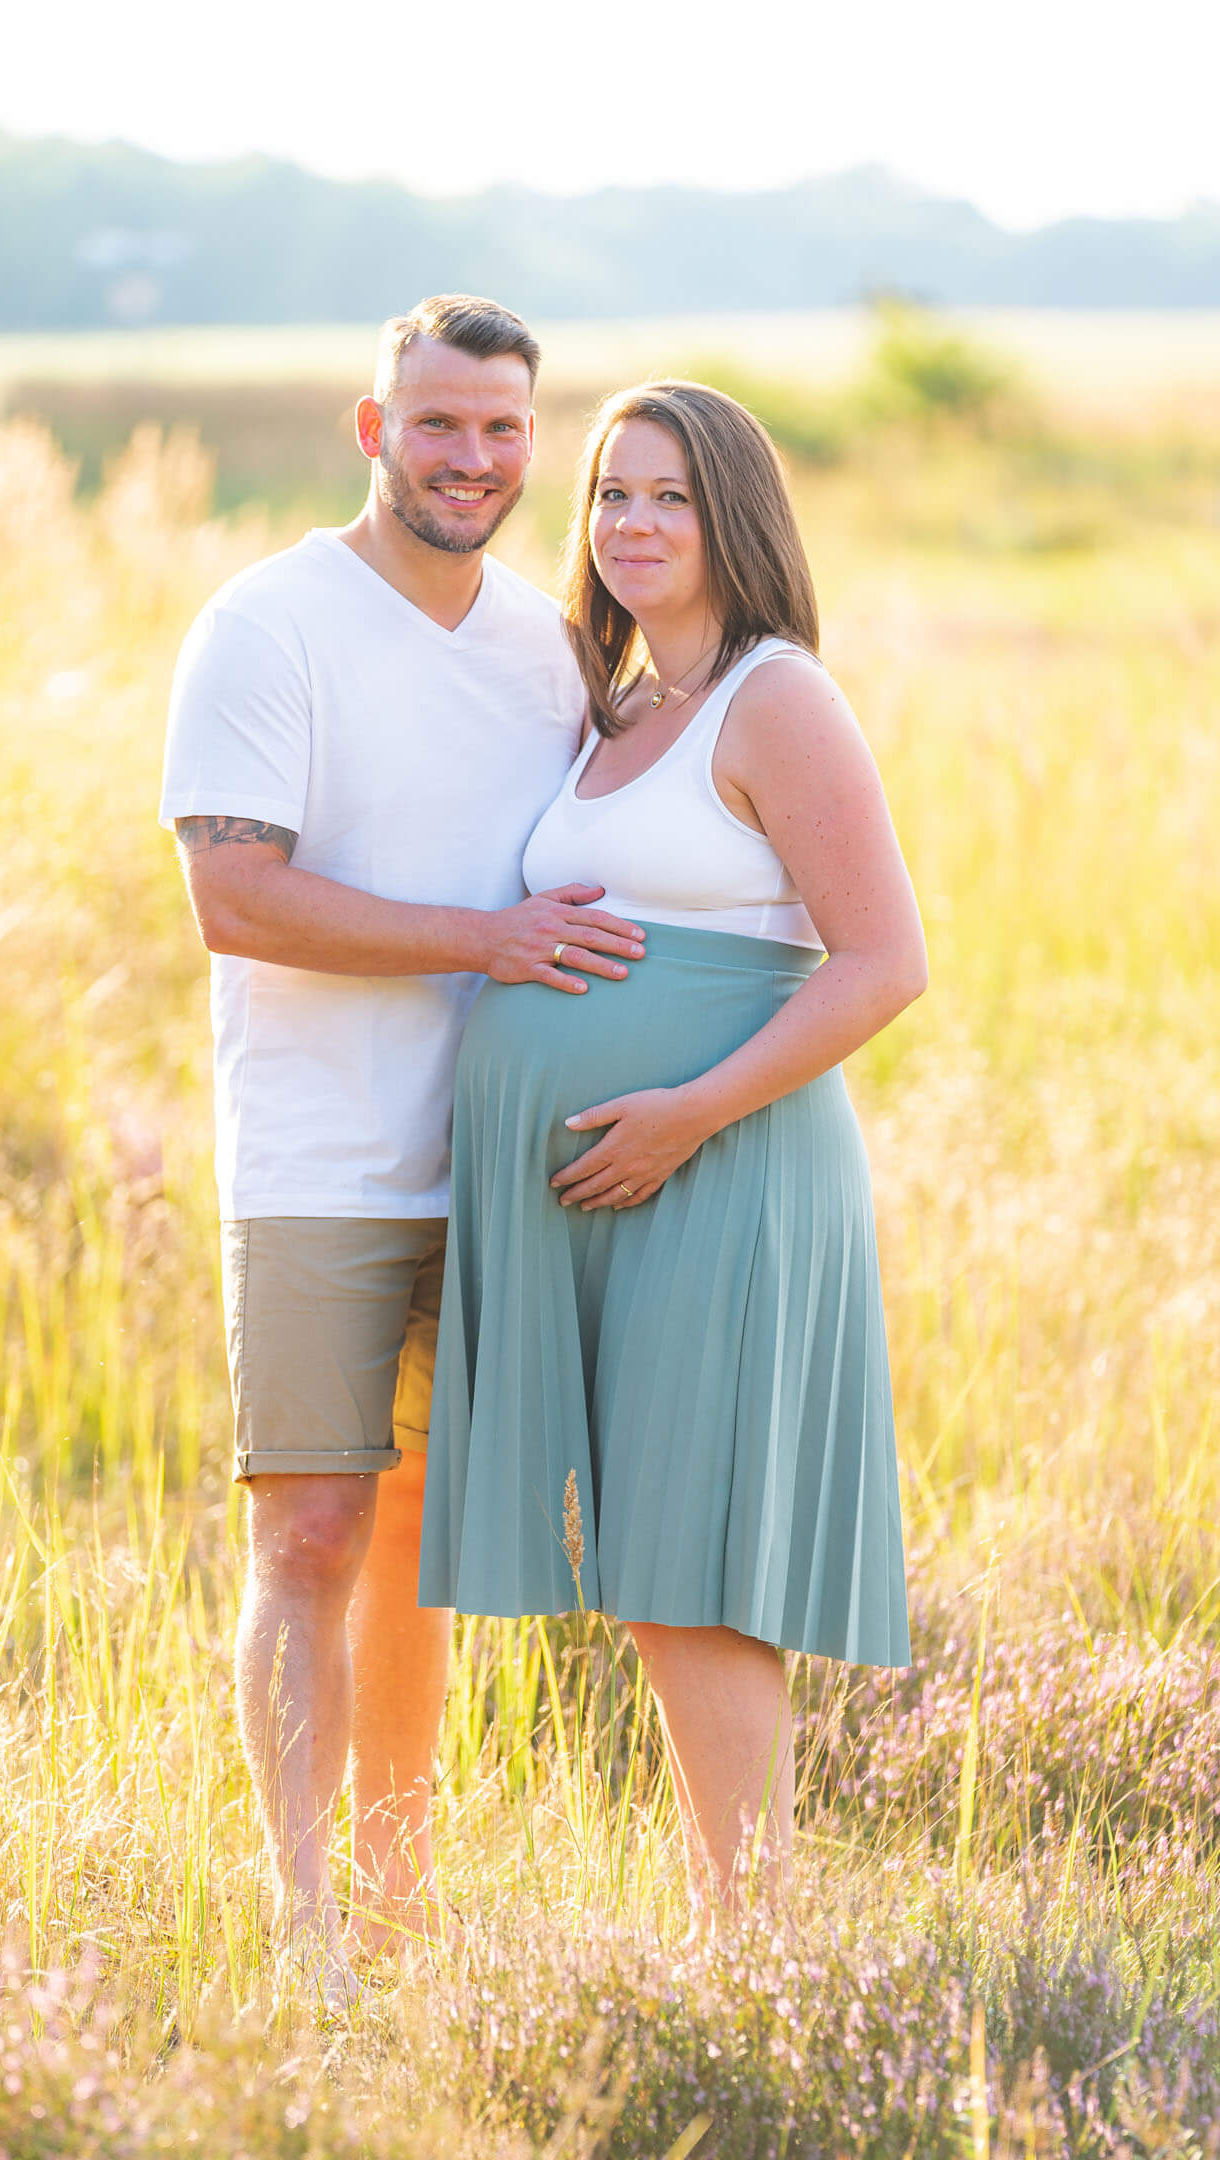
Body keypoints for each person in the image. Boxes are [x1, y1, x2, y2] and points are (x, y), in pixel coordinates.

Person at [158, 295, 647, 2008]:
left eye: (505, 429)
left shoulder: (549, 647)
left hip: (503, 1160)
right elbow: (237, 896)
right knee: (306, 1534)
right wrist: (485, 940)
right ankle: (303, 1935)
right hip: (319, 1162)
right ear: (375, 430)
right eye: (438, 424)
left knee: (427, 1536)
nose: (474, 459)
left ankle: (396, 1897)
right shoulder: (267, 625)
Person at [418, 380, 925, 1924]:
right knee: (651, 1565)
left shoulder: (778, 697)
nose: (632, 526)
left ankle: (755, 1947)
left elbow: (882, 963)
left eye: (670, 498)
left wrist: (686, 1115)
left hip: (727, 1166)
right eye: (611, 496)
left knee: (690, 1564)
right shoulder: (625, 703)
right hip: (618, 1183)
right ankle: (745, 1934)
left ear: (735, 520)